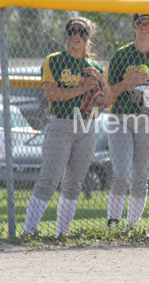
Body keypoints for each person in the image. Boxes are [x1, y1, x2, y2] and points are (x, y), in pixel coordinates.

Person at [23, 17, 113, 237]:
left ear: (87, 38)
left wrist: (99, 92)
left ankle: (61, 234)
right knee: (49, 180)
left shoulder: (94, 67)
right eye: (72, 32)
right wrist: (83, 89)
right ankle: (28, 231)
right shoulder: (54, 60)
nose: (76, 37)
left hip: (87, 127)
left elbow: (106, 102)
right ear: (66, 35)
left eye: (82, 33)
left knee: (74, 184)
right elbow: (50, 93)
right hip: (60, 125)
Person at [106, 14, 149, 227]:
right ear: (134, 28)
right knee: (121, 175)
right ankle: (113, 224)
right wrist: (130, 82)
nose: (145, 27)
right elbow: (108, 94)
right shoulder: (122, 55)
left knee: (140, 176)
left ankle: (131, 226)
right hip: (121, 118)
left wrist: (148, 94)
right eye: (140, 24)